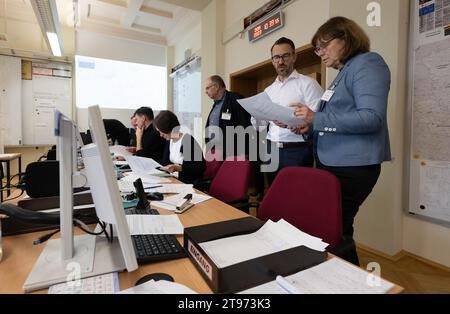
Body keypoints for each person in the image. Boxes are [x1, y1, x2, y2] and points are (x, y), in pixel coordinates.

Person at [293, 17, 391, 266]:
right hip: (333, 163)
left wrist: (317, 117)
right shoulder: (342, 74)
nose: (321, 53)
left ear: (346, 38)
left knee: (335, 231)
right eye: (317, 48)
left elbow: (372, 118)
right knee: (337, 230)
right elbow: (331, 122)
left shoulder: (368, 63)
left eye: (324, 44)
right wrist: (308, 127)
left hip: (352, 166)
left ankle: (346, 282)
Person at [251, 37, 324, 184]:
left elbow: (320, 118)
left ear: (294, 57)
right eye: (276, 57)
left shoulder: (308, 84)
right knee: (274, 195)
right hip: (271, 150)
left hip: (297, 151)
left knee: (297, 198)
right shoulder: (268, 91)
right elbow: (259, 127)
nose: (280, 61)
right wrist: (256, 115)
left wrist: (299, 123)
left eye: (285, 56)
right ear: (272, 60)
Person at [205, 75, 251, 159]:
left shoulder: (235, 99)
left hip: (232, 153)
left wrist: (244, 153)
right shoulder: (216, 104)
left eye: (207, 88)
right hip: (215, 151)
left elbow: (245, 126)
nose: (206, 91)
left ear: (216, 87)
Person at [153, 110, 206, 184]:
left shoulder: (187, 141)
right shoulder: (170, 140)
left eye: (161, 131)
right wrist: (149, 163)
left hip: (187, 182)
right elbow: (165, 162)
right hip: (174, 180)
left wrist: (179, 168)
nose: (160, 135)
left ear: (168, 128)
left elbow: (199, 168)